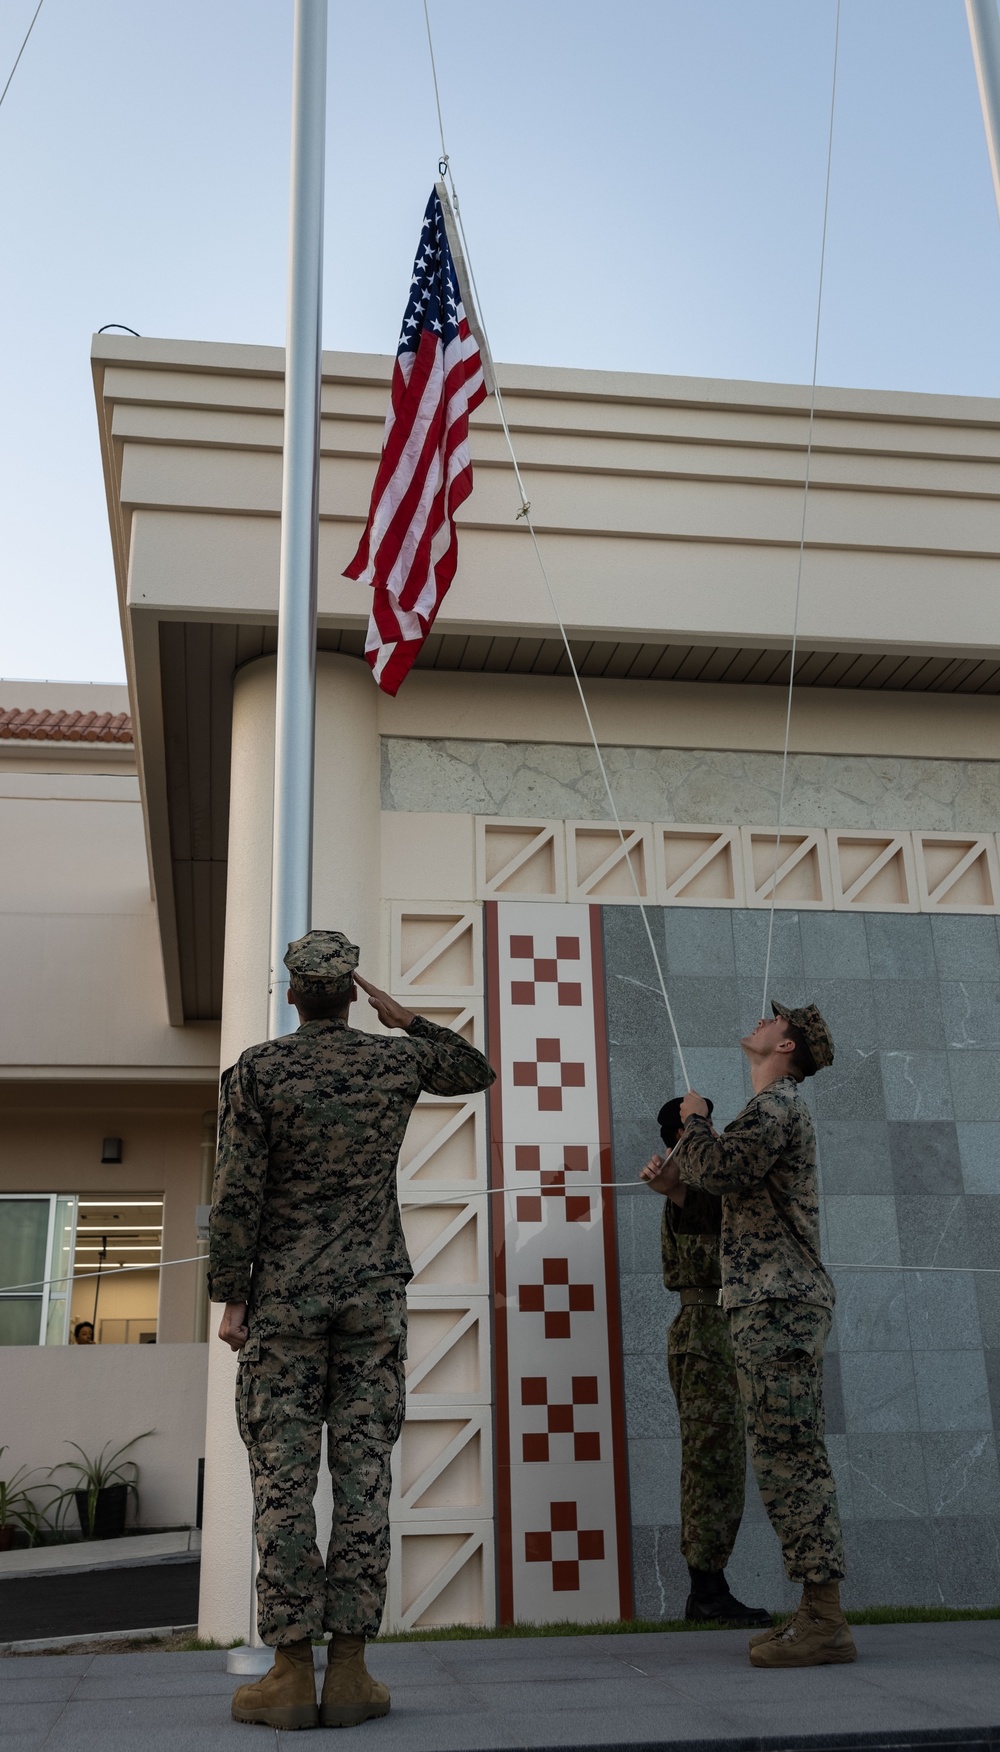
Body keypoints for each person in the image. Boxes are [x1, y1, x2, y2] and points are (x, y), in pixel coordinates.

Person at [208, 929, 496, 1730]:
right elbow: (475, 1073)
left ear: (295, 993)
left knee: (284, 1481)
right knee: (364, 1479)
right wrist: (403, 1018)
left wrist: (233, 1299)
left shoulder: (259, 1071)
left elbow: (237, 1193)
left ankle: (292, 1673)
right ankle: (355, 1673)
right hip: (372, 1298)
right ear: (350, 991)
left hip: (287, 1302)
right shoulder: (392, 1061)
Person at [655, 1001, 854, 1669]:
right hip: (766, 1303)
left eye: (772, 1021)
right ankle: (816, 1615)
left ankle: (824, 1620)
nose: (759, 1022)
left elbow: (720, 1169)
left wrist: (693, 1121)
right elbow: (724, 1193)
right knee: (781, 1456)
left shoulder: (774, 1108)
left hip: (778, 1303)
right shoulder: (769, 1111)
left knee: (790, 1457)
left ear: (786, 1042)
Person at [640, 1096, 770, 1630]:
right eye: (697, 1127)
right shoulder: (690, 1193)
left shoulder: (711, 1189)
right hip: (705, 1334)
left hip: (726, 1333)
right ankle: (708, 1590)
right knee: (710, 1462)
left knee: (723, 1462)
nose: (707, 1133)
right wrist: (672, 1189)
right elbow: (695, 1212)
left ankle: (710, 1588)